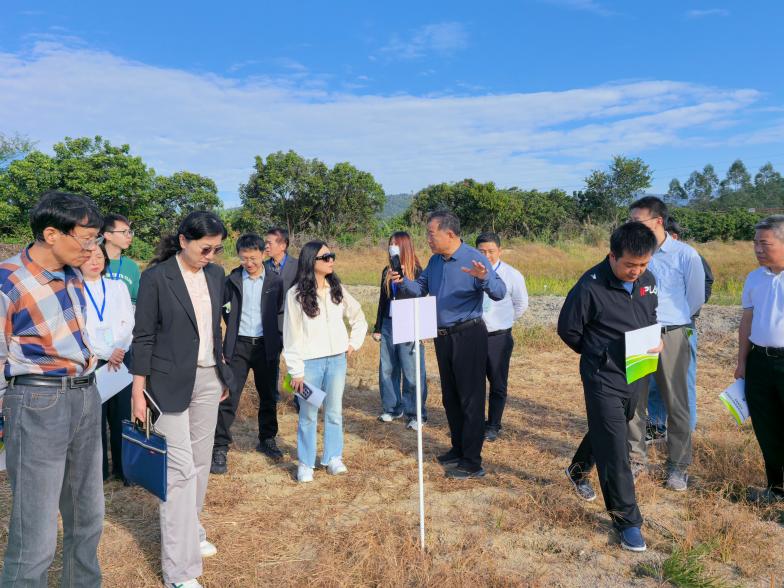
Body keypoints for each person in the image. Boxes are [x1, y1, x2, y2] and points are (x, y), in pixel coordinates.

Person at [0, 190, 104, 586]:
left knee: (88, 515)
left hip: (85, 394)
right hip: (36, 400)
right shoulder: (8, 280)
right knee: (36, 530)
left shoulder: (72, 273)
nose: (91, 248)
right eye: (86, 238)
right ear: (51, 234)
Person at [131, 211, 234, 588]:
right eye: (206, 248)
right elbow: (143, 337)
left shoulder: (216, 275)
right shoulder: (157, 278)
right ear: (183, 241)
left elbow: (214, 330)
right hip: (166, 384)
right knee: (178, 472)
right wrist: (138, 390)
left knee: (200, 464)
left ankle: (192, 530)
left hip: (208, 379)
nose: (211, 256)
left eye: (217, 249)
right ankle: (180, 571)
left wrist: (221, 371)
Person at [559, 222, 661, 553]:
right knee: (616, 446)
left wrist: (656, 339)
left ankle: (576, 470)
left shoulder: (648, 280)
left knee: (610, 428)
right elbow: (568, 329)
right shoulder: (590, 286)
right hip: (602, 375)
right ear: (612, 255)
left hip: (638, 368)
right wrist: (597, 354)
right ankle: (627, 521)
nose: (636, 271)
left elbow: (650, 315)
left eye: (643, 264)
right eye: (630, 264)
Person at [392, 210, 506, 479]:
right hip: (442, 337)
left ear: (450, 234)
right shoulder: (435, 261)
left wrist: (484, 278)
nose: (428, 239)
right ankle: (458, 448)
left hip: (468, 335)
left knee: (470, 399)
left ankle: (472, 462)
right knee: (450, 398)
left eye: (431, 234)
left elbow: (500, 292)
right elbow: (419, 289)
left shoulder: (474, 258)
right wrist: (403, 282)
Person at [627, 197, 705, 492]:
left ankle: (678, 466)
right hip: (639, 333)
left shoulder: (685, 255)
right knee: (635, 400)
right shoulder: (635, 251)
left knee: (677, 402)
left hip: (674, 332)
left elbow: (695, 298)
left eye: (638, 221)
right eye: (630, 221)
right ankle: (636, 460)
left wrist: (672, 322)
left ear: (658, 221)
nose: (632, 226)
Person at [283, 241, 367, 483]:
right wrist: (295, 371)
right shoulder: (296, 294)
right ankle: (305, 463)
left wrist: (353, 343)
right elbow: (291, 335)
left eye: (332, 256)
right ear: (311, 261)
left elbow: (358, 316)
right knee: (308, 414)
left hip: (337, 362)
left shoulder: (336, 289)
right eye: (326, 257)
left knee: (334, 411)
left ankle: (333, 457)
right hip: (309, 365)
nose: (331, 260)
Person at [211, 233, 285, 475]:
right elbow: (222, 311)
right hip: (238, 347)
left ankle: (267, 439)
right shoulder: (231, 280)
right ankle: (220, 447)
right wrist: (229, 337)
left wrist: (277, 340)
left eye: (253, 258)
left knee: (268, 395)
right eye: (244, 259)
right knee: (229, 397)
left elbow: (281, 313)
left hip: (266, 347)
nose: (249, 263)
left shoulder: (275, 281)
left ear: (263, 254)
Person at [646, 218, 714, 440]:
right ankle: (656, 426)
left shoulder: (689, 256)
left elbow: (700, 292)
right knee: (653, 382)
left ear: (672, 235)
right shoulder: (647, 254)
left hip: (681, 327)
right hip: (653, 328)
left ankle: (685, 434)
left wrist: (682, 315)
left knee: (682, 384)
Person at [735, 215, 784, 504]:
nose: (758, 249)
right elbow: (747, 321)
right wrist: (742, 362)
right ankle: (776, 488)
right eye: (755, 243)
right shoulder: (755, 277)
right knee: (767, 427)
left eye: (765, 244)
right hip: (760, 362)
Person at [79, 243, 135, 483]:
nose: (95, 261)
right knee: (95, 419)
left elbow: (128, 321)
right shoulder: (74, 289)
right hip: (92, 361)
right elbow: (81, 328)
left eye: (99, 256)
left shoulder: (117, 286)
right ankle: (98, 472)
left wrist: (119, 348)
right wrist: (104, 352)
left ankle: (124, 469)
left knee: (122, 415)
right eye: (89, 257)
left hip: (120, 358)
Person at [372, 231, 428, 430]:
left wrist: (423, 330)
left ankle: (416, 413)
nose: (392, 248)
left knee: (412, 371)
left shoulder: (418, 271)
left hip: (409, 322)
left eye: (396, 244)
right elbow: (383, 301)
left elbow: (420, 298)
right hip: (389, 323)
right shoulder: (386, 271)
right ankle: (393, 408)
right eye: (390, 244)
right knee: (387, 368)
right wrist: (378, 327)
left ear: (405, 247)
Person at [475, 232, 529, 441]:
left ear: (500, 251)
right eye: (481, 251)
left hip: (499, 337)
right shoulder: (470, 272)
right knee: (474, 382)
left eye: (491, 251)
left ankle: (493, 425)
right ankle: (475, 422)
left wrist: (504, 321)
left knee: (497, 383)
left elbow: (521, 304)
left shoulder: (512, 275)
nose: (486, 256)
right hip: (473, 335)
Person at [101, 213, 142, 305]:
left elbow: (135, 300)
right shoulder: (92, 262)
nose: (129, 236)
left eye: (130, 232)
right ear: (108, 235)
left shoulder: (131, 266)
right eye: (124, 232)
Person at [264, 227, 299, 297]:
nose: (266, 246)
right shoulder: (263, 266)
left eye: (270, 243)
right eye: (266, 243)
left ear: (283, 246)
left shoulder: (297, 265)